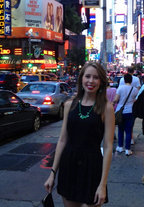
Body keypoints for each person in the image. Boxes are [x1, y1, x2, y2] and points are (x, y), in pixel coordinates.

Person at [44, 62, 115, 206]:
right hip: (69, 164)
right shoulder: (70, 104)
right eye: (87, 76)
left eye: (96, 77)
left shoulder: (106, 108)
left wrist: (102, 184)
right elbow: (63, 140)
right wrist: (52, 173)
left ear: (101, 82)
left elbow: (108, 146)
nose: (91, 81)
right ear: (81, 79)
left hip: (92, 166)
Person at [113, 73, 138, 156]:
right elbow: (136, 99)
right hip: (130, 111)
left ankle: (120, 147)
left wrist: (112, 105)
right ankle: (128, 149)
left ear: (124, 80)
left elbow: (116, 99)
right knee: (128, 131)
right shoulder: (134, 89)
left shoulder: (120, 88)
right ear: (131, 80)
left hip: (121, 111)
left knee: (120, 130)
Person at [119, 66, 140, 144]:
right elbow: (138, 91)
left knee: (121, 127)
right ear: (133, 71)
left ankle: (121, 144)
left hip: (122, 104)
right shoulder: (136, 79)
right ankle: (130, 139)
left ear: (127, 71)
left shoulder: (121, 79)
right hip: (132, 104)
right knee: (130, 124)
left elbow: (119, 92)